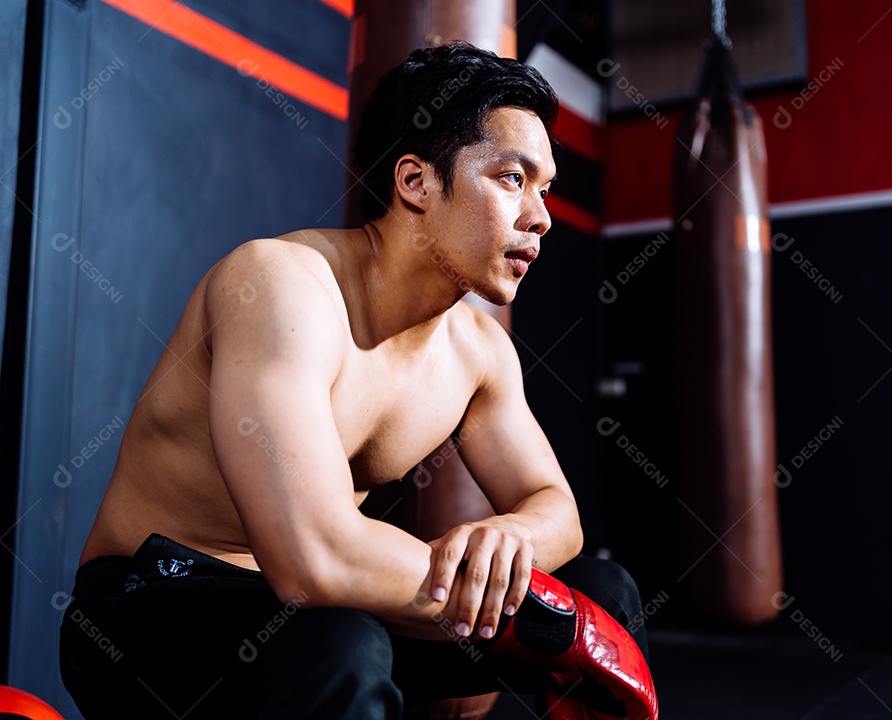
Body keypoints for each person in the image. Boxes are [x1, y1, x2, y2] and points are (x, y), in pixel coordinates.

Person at [59, 42, 657, 720]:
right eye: (513, 179)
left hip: (330, 608)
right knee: (345, 644)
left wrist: (511, 541)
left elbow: (555, 506)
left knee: (602, 591)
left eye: (545, 190)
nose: (541, 218)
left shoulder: (479, 352)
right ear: (415, 182)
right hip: (151, 600)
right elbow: (313, 558)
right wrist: (541, 620)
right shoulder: (279, 283)